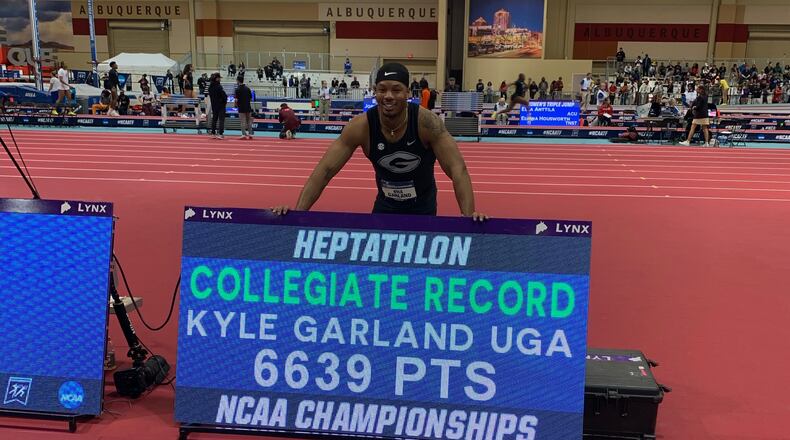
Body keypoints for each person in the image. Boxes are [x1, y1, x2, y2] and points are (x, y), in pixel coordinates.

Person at [272, 63, 486, 219]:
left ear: (408, 93)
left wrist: (468, 220)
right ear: (375, 92)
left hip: (423, 209)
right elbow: (324, 171)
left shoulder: (426, 123)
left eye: (396, 89)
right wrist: (298, 217)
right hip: (385, 208)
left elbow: (458, 170)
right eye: (382, 89)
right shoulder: (361, 126)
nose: (388, 96)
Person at [208, 73, 227, 139]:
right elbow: (224, 95)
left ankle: (213, 133)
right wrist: (224, 101)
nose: (220, 79)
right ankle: (220, 134)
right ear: (217, 78)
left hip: (214, 105)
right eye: (219, 78)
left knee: (214, 119)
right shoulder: (219, 86)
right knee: (221, 120)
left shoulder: (210, 87)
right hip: (221, 105)